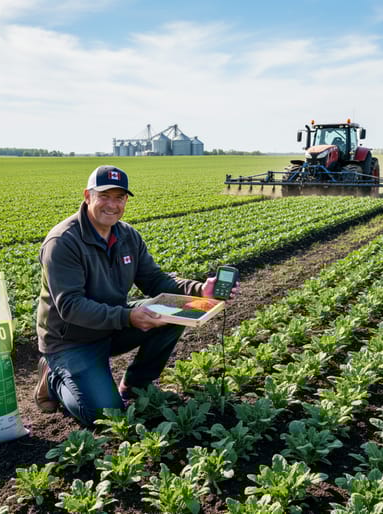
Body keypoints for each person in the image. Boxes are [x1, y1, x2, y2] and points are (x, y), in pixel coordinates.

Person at [34, 165, 236, 426]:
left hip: (112, 324)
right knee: (105, 416)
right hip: (72, 340)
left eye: (120, 197)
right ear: (87, 196)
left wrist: (200, 290)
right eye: (104, 196)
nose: (112, 205)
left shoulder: (127, 235)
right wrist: (129, 317)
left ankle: (135, 385)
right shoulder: (63, 242)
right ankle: (52, 376)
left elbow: (154, 280)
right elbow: (71, 307)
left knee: (176, 311)